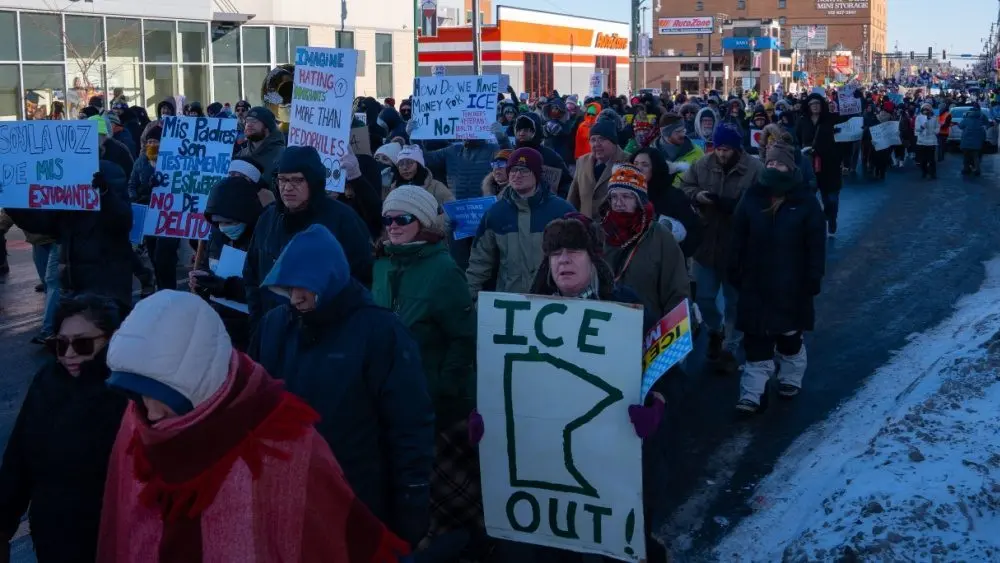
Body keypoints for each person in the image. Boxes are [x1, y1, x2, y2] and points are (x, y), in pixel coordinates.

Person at [98, 290, 412, 562]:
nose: (151, 413)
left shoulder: (281, 442)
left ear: (201, 383)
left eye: (163, 397)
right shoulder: (137, 425)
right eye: (137, 395)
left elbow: (331, 534)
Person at [477, 212, 665, 562]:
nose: (563, 260)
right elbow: (503, 378)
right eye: (555, 253)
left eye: (574, 251)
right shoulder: (522, 315)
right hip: (549, 468)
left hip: (614, 463)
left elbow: (667, 373)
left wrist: (657, 404)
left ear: (593, 258)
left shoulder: (628, 309)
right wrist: (489, 415)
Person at [249, 225, 434, 549]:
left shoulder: (380, 332)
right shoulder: (275, 326)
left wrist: (411, 501)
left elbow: (409, 424)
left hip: (357, 498)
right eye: (288, 287)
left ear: (330, 280)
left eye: (305, 287)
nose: (295, 297)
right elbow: (252, 404)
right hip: (286, 496)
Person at [372, 186, 480, 553]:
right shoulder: (382, 263)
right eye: (388, 218)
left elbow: (463, 338)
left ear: (422, 222)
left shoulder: (443, 269)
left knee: (444, 503)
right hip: (392, 401)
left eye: (403, 218)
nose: (393, 225)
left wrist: (443, 388)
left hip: (437, 407)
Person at [0, 295, 128, 563]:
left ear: (110, 340)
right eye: (60, 344)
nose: (69, 354)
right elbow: (18, 459)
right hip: (52, 537)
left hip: (111, 540)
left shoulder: (127, 394)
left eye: (82, 344)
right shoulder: (47, 381)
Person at [729, 143, 826, 414]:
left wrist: (814, 276)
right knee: (756, 340)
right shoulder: (752, 197)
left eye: (779, 163)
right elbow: (737, 236)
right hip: (756, 283)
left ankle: (790, 377)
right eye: (770, 163)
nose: (773, 167)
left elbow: (816, 244)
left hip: (791, 284)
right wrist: (735, 268)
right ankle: (753, 393)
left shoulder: (805, 201)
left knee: (788, 337)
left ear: (790, 168)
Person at [243, 146, 374, 329]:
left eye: (297, 180)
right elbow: (252, 274)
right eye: (282, 180)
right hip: (273, 329)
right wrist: (259, 325)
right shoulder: (268, 218)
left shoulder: (343, 220)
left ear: (313, 181)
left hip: (326, 332)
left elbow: (361, 279)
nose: (288, 187)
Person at [679, 125, 763, 374]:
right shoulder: (702, 165)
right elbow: (685, 186)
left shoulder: (754, 168)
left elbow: (762, 200)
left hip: (738, 247)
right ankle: (715, 330)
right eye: (718, 148)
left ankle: (731, 345)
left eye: (726, 149)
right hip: (706, 243)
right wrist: (698, 196)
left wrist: (737, 206)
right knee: (703, 297)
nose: (722, 154)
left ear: (736, 148)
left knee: (734, 300)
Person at [4, 164, 134, 320]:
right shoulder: (66, 187)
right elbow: (41, 223)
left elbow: (123, 220)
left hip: (106, 290)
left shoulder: (110, 172)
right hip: (73, 287)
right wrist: (10, 202)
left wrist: (105, 194)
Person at [466, 147, 575, 300]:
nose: (517, 175)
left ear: (536, 174)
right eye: (513, 170)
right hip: (509, 301)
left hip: (552, 301)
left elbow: (578, 257)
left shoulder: (561, 211)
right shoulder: (495, 213)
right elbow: (479, 262)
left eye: (524, 170)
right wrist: (468, 299)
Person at [601, 163, 689, 319]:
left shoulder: (661, 237)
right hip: (603, 321)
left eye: (626, 196)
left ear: (639, 200)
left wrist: (675, 323)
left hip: (647, 324)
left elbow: (677, 289)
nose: (618, 203)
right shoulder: (599, 232)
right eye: (614, 196)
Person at [189, 176, 264, 351]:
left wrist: (224, 287)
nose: (223, 227)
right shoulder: (216, 235)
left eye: (229, 222)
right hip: (217, 326)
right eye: (218, 222)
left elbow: (265, 291)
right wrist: (201, 282)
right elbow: (208, 266)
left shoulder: (264, 240)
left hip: (251, 331)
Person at [630, 148, 702, 258]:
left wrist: (675, 256)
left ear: (656, 168)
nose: (638, 168)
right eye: (635, 164)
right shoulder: (627, 193)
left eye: (645, 165)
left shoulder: (674, 196)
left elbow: (694, 230)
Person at [794, 94, 841, 234]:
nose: (815, 106)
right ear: (808, 106)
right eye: (812, 104)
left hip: (829, 164)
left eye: (817, 103)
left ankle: (831, 217)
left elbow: (843, 136)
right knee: (808, 197)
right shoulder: (802, 121)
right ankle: (811, 226)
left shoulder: (832, 119)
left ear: (822, 105)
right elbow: (796, 140)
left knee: (831, 199)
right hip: (809, 164)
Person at [567, 118, 630, 219]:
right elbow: (573, 197)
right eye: (593, 140)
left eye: (602, 139)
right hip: (584, 225)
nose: (596, 144)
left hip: (613, 226)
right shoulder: (582, 161)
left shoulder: (628, 162)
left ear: (613, 141)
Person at [387, 145, 453, 231]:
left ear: (419, 165)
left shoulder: (436, 186)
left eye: (409, 163)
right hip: (401, 236)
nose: (405, 168)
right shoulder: (394, 189)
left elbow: (451, 211)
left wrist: (429, 224)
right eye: (401, 164)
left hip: (429, 235)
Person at [235, 107, 286, 191]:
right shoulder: (241, 155)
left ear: (267, 127)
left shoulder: (283, 155)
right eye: (247, 121)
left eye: (254, 121)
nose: (249, 124)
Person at [959, 104, 988, 176]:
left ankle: (966, 169)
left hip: (966, 141)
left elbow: (960, 126)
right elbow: (984, 129)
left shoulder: (966, 119)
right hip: (976, 142)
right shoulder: (980, 120)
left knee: (966, 156)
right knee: (976, 156)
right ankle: (977, 170)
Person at [915, 103, 940, 179]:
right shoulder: (919, 118)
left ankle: (932, 173)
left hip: (931, 141)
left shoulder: (934, 118)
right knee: (923, 159)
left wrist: (935, 131)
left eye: (927, 109)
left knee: (931, 159)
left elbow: (937, 127)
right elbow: (917, 129)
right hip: (922, 141)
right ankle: (924, 171)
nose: (926, 111)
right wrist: (922, 126)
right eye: (924, 109)